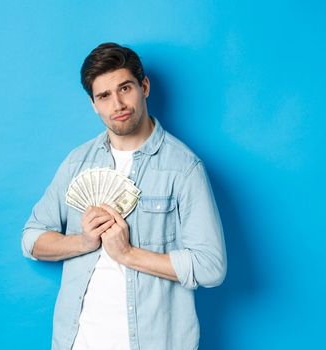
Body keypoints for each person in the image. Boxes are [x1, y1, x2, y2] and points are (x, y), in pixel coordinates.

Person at [21, 42, 227, 350]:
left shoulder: (183, 168)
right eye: (104, 96)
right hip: (77, 341)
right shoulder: (78, 162)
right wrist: (83, 242)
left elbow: (211, 267)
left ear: (144, 87)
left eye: (125, 88)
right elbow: (31, 240)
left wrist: (128, 254)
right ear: (93, 104)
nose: (117, 104)